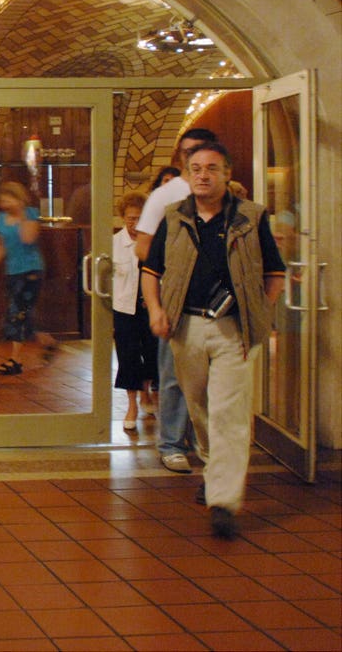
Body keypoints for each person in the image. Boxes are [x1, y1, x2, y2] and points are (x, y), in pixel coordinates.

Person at [141, 142, 284, 538]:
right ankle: (212, 465)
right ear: (187, 175)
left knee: (229, 414)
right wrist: (155, 310)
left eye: (212, 168)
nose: (203, 175)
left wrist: (259, 315)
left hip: (232, 330)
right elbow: (151, 270)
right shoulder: (174, 218)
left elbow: (275, 273)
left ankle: (223, 501)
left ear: (226, 174)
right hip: (185, 328)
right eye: (196, 168)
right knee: (200, 407)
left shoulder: (252, 219)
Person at [134, 127, 217, 474]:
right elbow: (143, 249)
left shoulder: (226, 198)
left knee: (215, 377)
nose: (196, 161)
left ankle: (207, 443)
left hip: (218, 302)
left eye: (202, 152)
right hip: (178, 297)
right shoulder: (165, 197)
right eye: (188, 153)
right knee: (173, 375)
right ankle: (171, 443)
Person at [0, 180, 59, 375]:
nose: (5, 203)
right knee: (23, 312)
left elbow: (28, 239)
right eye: (3, 200)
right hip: (12, 270)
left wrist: (21, 214)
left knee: (17, 312)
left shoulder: (31, 214)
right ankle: (48, 342)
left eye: (9, 199)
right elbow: (0, 247)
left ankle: (15, 360)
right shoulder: (0, 219)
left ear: (19, 199)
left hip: (31, 270)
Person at [112, 192, 158, 430]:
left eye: (139, 218)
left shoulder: (154, 241)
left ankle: (147, 392)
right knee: (128, 356)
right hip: (124, 308)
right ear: (122, 218)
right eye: (130, 218)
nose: (134, 223)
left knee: (151, 351)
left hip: (149, 306)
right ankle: (132, 404)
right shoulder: (114, 243)